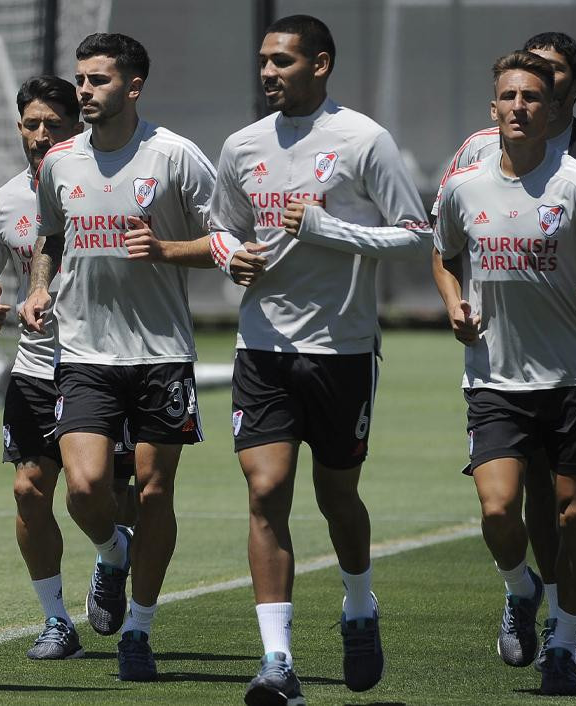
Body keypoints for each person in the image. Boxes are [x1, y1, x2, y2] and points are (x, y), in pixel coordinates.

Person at [205, 14, 432, 704]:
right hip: (262, 347)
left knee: (337, 497)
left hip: (341, 351)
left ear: (321, 64)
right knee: (267, 490)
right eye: (265, 61)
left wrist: (327, 228)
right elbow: (221, 227)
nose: (269, 72)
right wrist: (229, 257)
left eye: (283, 61)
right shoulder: (242, 146)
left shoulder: (364, 140)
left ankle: (359, 605)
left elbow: (414, 234)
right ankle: (277, 661)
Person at [22, 33, 215, 681]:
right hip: (84, 354)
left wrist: (167, 250)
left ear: (133, 86)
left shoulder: (175, 156)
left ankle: (140, 627)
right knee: (84, 487)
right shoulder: (60, 163)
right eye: (81, 79)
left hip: (161, 355)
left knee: (155, 492)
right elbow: (51, 233)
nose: (85, 91)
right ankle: (112, 550)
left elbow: (226, 239)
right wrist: (41, 286)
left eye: (99, 80)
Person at [0, 75, 138, 660]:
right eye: (31, 125)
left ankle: (114, 554)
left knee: (103, 494)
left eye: (53, 126)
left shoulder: (107, 186)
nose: (40, 137)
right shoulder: (4, 202)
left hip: (107, 362)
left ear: (78, 127)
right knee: (29, 491)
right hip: (35, 370)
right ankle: (57, 621)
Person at [434, 50, 576, 696]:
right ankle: (521, 589)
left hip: (575, 379)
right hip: (494, 379)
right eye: (509, 97)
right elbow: (443, 254)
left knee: (574, 518)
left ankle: (564, 640)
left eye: (532, 98)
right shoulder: (465, 186)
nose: (519, 107)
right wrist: (451, 304)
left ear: (553, 110)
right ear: (492, 108)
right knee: (499, 511)